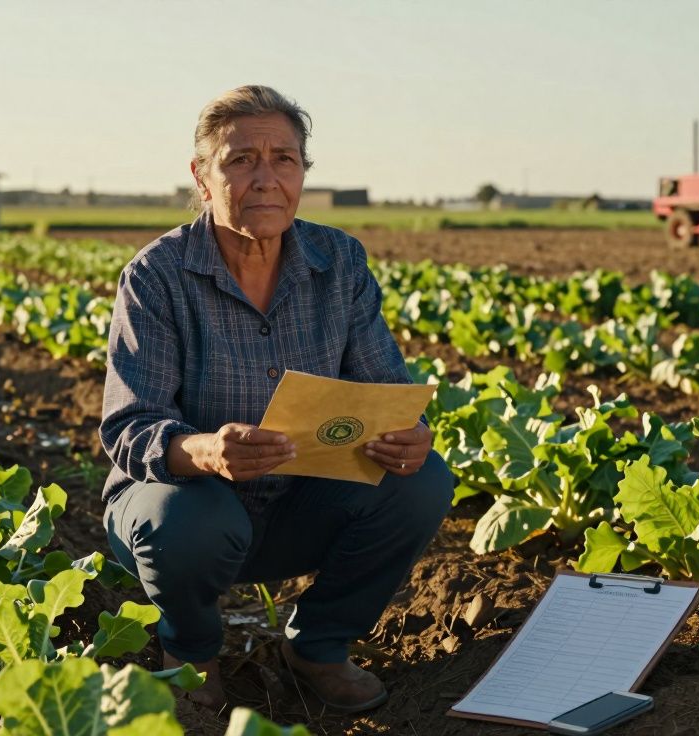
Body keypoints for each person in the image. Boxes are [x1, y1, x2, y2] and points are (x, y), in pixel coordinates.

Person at [99, 85, 454, 714]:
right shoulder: (157, 275)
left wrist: (407, 433)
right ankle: (191, 652)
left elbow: (384, 386)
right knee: (188, 518)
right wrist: (207, 451)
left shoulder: (339, 262)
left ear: (302, 173)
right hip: (184, 515)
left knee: (421, 479)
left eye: (284, 159)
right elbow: (129, 426)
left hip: (299, 506)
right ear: (202, 176)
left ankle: (318, 647)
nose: (265, 178)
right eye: (241, 160)